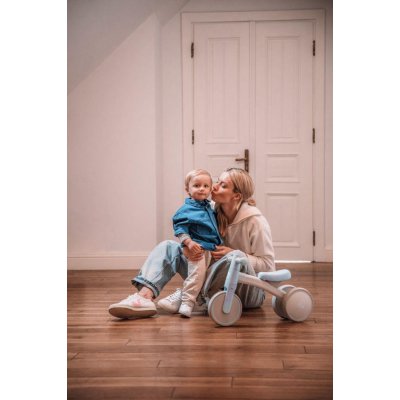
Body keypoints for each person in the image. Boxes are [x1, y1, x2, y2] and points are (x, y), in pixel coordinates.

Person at [108, 167, 275, 320]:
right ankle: (144, 297)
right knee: (169, 246)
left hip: (246, 292)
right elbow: (186, 232)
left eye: (223, 185)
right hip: (213, 281)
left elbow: (268, 266)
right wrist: (187, 247)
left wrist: (233, 253)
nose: (214, 187)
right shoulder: (209, 210)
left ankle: (188, 295)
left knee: (235, 258)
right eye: (217, 182)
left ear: (236, 196)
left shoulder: (255, 221)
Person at [157, 169, 222, 317]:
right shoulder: (186, 210)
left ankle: (202, 299)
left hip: (211, 248)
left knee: (207, 276)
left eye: (206, 186)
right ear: (188, 189)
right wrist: (189, 243)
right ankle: (187, 302)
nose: (201, 189)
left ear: (210, 189)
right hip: (196, 249)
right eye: (197, 185)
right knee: (196, 275)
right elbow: (180, 230)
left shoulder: (210, 207)